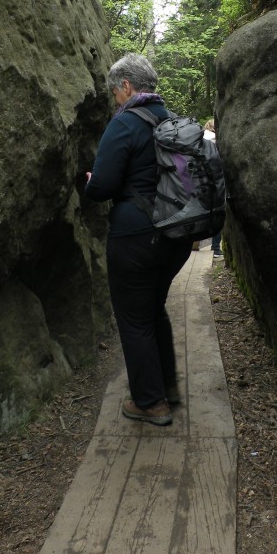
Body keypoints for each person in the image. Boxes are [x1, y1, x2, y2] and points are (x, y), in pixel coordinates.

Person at [85, 54, 192, 427]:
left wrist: (87, 180)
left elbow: (102, 187)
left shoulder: (126, 122)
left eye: (116, 91)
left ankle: (150, 402)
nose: (116, 98)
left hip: (136, 236)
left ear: (126, 87)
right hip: (177, 235)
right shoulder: (171, 120)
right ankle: (167, 388)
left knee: (133, 318)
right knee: (152, 308)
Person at [203, 119, 223, 258]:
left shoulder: (199, 138)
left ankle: (195, 244)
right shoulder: (215, 140)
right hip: (213, 182)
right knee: (217, 213)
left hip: (199, 182)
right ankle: (216, 248)